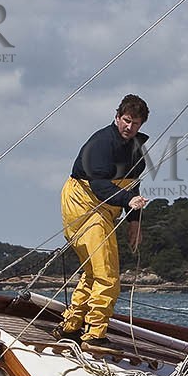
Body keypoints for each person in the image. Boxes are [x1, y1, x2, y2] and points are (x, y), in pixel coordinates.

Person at [59, 94, 150, 348]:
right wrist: (127, 202)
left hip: (107, 208)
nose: (129, 127)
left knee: (94, 270)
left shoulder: (136, 151)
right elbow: (99, 185)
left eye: (135, 123)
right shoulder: (100, 144)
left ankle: (72, 326)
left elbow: (132, 186)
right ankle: (95, 334)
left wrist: (135, 221)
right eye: (126, 120)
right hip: (82, 204)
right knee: (107, 272)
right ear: (117, 116)